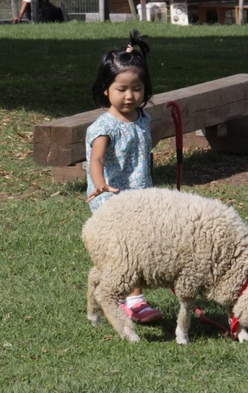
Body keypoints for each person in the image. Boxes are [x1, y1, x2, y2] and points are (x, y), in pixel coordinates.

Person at [85, 30, 173, 323]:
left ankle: (110, 293)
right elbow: (96, 158)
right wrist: (100, 185)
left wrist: (170, 124)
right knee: (129, 252)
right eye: (121, 89)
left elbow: (145, 140)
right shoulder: (105, 126)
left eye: (136, 88)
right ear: (105, 90)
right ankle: (134, 301)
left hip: (139, 197)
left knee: (139, 248)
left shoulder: (141, 118)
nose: (129, 95)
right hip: (112, 199)